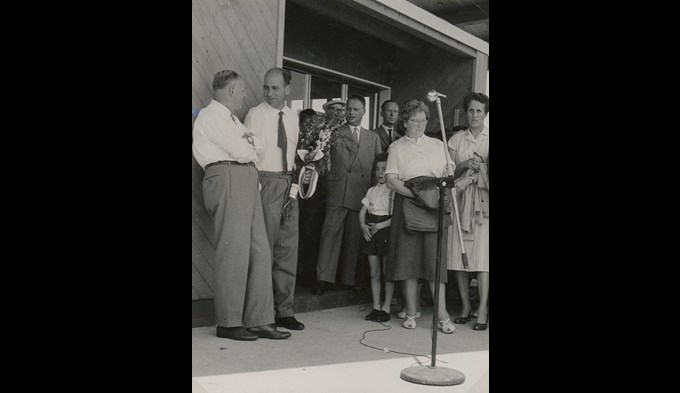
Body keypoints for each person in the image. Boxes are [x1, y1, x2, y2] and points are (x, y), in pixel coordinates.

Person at [192, 69, 290, 341]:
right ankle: (229, 322)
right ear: (232, 90)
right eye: (243, 89)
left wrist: (249, 145)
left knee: (260, 249)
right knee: (234, 252)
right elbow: (246, 149)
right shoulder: (210, 116)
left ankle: (260, 320)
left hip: (246, 178)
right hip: (226, 176)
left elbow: (255, 145)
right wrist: (249, 145)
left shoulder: (232, 119)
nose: (247, 94)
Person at [385, 98, 455, 334]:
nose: (419, 125)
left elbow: (449, 173)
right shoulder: (396, 147)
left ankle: (442, 314)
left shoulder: (438, 145)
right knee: (409, 260)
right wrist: (416, 195)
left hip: (435, 205)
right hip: (409, 204)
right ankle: (412, 311)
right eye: (414, 120)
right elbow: (391, 180)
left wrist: (441, 186)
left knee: (436, 262)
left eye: (423, 120)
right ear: (405, 122)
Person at [244, 67, 305, 331]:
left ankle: (285, 310)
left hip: (288, 182)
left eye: (275, 88)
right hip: (265, 182)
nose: (270, 93)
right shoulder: (254, 115)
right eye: (266, 87)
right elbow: (247, 154)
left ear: (288, 90)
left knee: (287, 248)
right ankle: (262, 312)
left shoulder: (293, 116)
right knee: (264, 250)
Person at [313, 94, 382, 295]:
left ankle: (348, 279)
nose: (351, 113)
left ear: (364, 111)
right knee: (330, 234)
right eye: (348, 109)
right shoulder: (334, 133)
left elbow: (376, 169)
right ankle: (323, 278)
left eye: (355, 109)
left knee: (354, 237)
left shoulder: (373, 137)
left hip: (360, 192)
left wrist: (373, 196)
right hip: (338, 190)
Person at [447, 92, 490, 331]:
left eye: (479, 111)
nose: (474, 115)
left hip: (483, 206)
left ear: (485, 114)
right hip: (459, 202)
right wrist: (464, 165)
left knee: (482, 260)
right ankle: (465, 306)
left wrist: (481, 169)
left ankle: (482, 309)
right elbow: (449, 173)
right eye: (471, 110)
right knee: (459, 257)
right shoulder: (456, 140)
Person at [359, 153, 394, 322]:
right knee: (374, 272)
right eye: (377, 170)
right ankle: (376, 306)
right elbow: (362, 212)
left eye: (384, 169)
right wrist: (363, 225)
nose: (380, 173)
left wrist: (379, 226)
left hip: (385, 229)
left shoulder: (393, 191)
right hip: (371, 229)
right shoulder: (371, 190)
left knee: (388, 272)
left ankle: (386, 307)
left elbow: (395, 217)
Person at [296, 108, 325, 288]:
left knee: (312, 236)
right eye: (306, 123)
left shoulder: (320, 145)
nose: (309, 126)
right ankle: (298, 273)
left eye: (312, 123)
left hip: (315, 199)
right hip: (297, 195)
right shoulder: (297, 142)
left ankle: (309, 274)